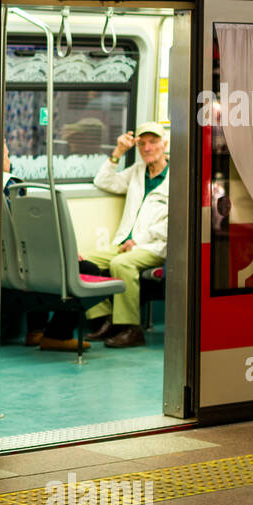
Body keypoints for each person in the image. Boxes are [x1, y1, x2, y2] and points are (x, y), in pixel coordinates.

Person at [82, 123, 170, 349]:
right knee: (84, 260)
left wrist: (139, 241)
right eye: (142, 144)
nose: (147, 148)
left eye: (153, 142)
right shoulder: (137, 171)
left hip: (154, 246)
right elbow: (103, 182)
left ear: (165, 144)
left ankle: (131, 328)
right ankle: (105, 320)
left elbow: (174, 224)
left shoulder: (176, 178)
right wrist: (118, 153)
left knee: (121, 264)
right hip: (123, 242)